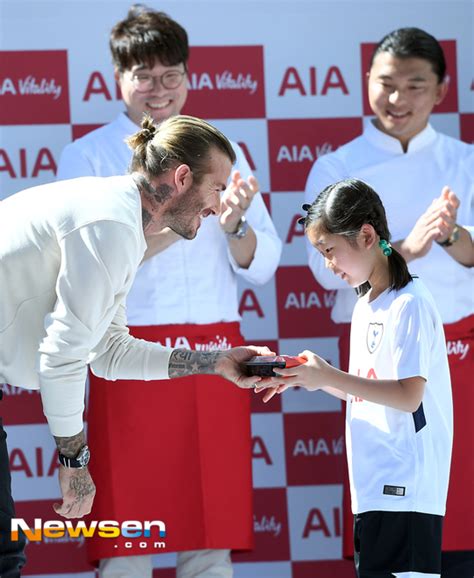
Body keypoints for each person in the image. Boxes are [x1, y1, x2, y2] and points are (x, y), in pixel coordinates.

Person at [57, 5, 282, 577]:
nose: (157, 90)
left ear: (189, 75)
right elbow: (83, 264)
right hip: (126, 351)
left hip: (216, 351)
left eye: (169, 75)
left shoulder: (220, 148)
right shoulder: (87, 156)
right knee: (129, 538)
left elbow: (263, 264)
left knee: (210, 538)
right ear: (117, 79)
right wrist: (177, 222)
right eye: (143, 76)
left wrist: (231, 223)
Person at [0, 114, 274, 578]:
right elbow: (62, 357)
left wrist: (215, 362)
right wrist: (73, 460)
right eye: (217, 188)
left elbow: (108, 352)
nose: (219, 205)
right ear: (182, 177)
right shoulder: (110, 223)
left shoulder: (121, 218)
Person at [304, 27, 473, 567]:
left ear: (442, 91)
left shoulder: (465, 161)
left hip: (460, 352)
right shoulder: (338, 165)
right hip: (380, 355)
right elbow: (322, 268)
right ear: (367, 82)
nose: (397, 100)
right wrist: (410, 247)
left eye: (414, 86)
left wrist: (450, 237)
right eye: (386, 84)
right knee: (389, 503)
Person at [258, 178, 453, 578]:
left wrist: (330, 374)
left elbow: (408, 396)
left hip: (406, 491)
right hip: (371, 486)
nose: (328, 265)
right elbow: (368, 392)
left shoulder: (410, 302)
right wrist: (311, 377)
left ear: (367, 235)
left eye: (330, 251)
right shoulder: (365, 303)